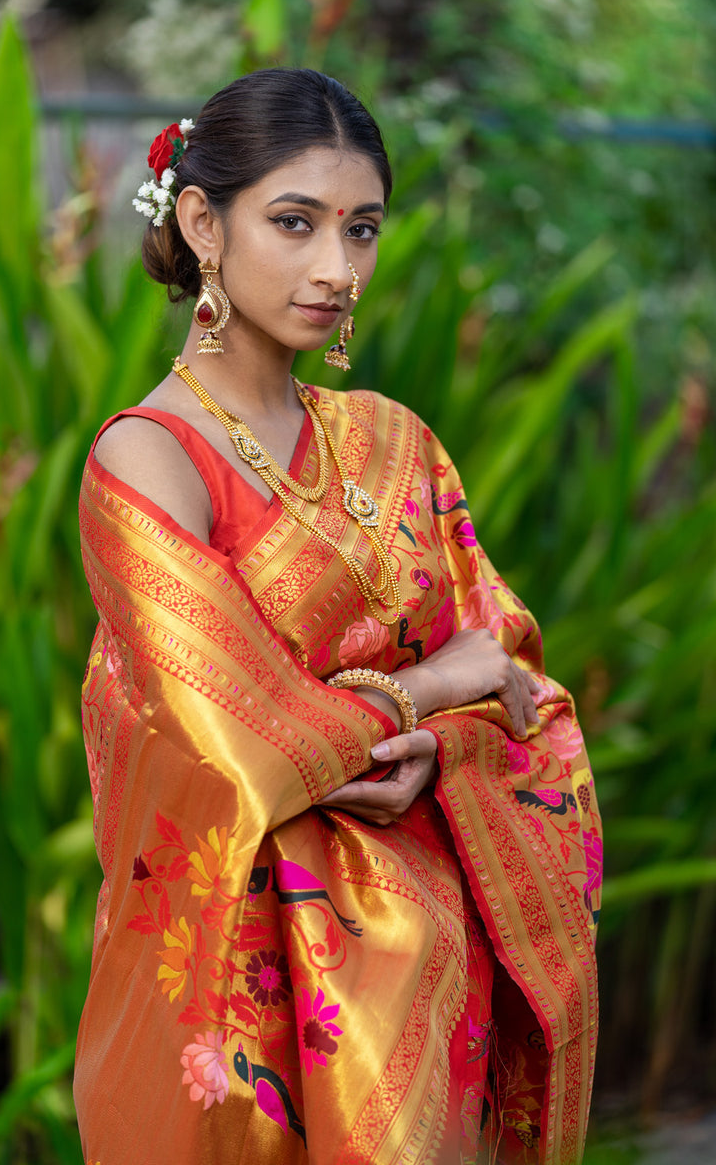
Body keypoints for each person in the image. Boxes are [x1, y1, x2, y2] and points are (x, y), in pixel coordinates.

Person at [74, 68, 601, 1165]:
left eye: (360, 229)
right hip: (229, 1004)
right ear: (202, 223)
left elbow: (516, 683)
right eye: (294, 222)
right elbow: (245, 742)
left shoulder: (394, 442)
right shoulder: (144, 462)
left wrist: (437, 741)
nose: (335, 268)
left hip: (421, 979)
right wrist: (432, 686)